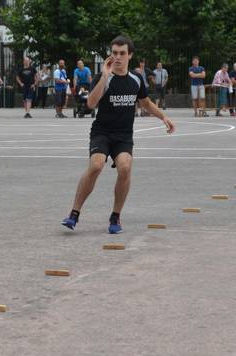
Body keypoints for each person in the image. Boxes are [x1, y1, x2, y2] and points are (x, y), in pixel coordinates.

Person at [60, 36, 175, 234]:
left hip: (123, 135)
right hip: (102, 132)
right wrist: (105, 76)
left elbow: (145, 103)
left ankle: (115, 216)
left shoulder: (136, 79)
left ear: (130, 55)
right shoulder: (103, 77)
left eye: (122, 53)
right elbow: (90, 104)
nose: (118, 57)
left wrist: (163, 117)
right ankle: (74, 213)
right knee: (96, 166)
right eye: (114, 53)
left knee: (125, 167)